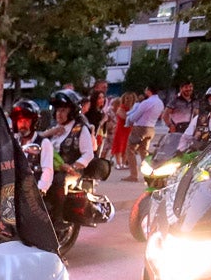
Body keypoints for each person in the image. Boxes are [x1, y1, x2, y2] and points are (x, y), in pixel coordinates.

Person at [45, 89, 97, 223]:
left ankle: (58, 218)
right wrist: (50, 132)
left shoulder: (80, 129)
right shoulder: (54, 128)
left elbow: (88, 153)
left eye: (63, 110)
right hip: (50, 167)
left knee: (58, 180)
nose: (59, 114)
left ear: (71, 111)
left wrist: (73, 166)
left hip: (72, 171)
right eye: (57, 110)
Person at [123, 84, 165, 181]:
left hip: (141, 127)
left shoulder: (147, 102)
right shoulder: (160, 103)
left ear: (148, 91)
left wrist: (129, 120)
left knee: (130, 150)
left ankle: (133, 175)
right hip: (151, 128)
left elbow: (135, 116)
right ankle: (149, 174)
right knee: (143, 151)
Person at [13, 100, 55, 193]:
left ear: (34, 121)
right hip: (12, 193)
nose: (22, 124)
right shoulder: (13, 142)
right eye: (20, 120)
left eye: (26, 120)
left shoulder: (44, 143)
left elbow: (47, 171)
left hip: (32, 194)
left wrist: (39, 191)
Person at [109, 92, 137, 169]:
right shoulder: (121, 108)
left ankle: (124, 163)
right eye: (127, 98)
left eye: (130, 98)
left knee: (126, 146)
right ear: (123, 99)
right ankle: (118, 163)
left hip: (129, 130)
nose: (128, 100)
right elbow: (125, 117)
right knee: (119, 146)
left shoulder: (133, 109)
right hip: (121, 130)